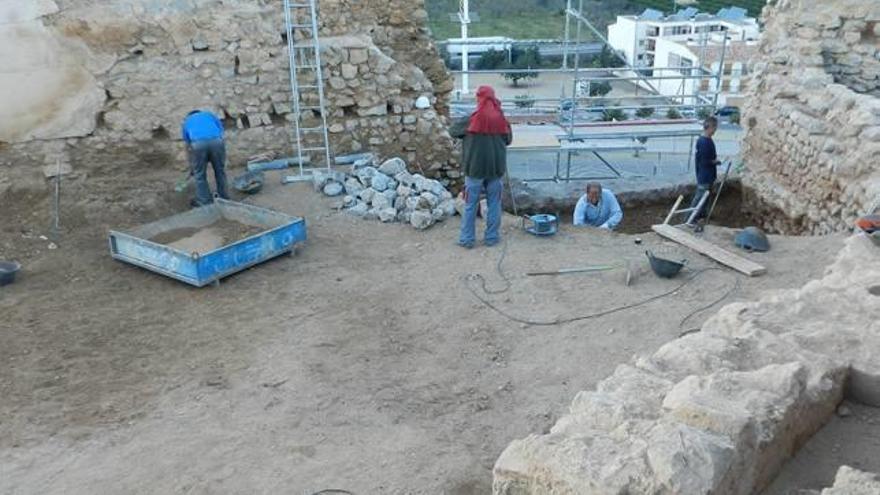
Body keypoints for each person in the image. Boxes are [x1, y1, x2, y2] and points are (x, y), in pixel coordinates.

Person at [450, 86, 512, 249]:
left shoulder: (471, 120)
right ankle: (491, 238)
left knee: (470, 205)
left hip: (474, 170)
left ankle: (467, 239)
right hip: (496, 170)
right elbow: (509, 139)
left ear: (480, 99)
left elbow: (452, 131)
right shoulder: (502, 120)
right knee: (494, 204)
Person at [181, 109, 228, 207]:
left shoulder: (187, 121)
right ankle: (224, 197)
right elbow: (221, 131)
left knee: (199, 175)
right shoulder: (209, 114)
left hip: (198, 144)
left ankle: (204, 201)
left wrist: (192, 165)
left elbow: (188, 145)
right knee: (220, 171)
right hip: (217, 142)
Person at [689, 116, 722, 223]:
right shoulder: (703, 142)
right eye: (715, 128)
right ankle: (690, 219)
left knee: (705, 198)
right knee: (699, 198)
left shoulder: (707, 140)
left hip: (708, 175)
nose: (715, 131)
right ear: (710, 127)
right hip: (705, 176)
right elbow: (704, 161)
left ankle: (701, 217)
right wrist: (715, 162)